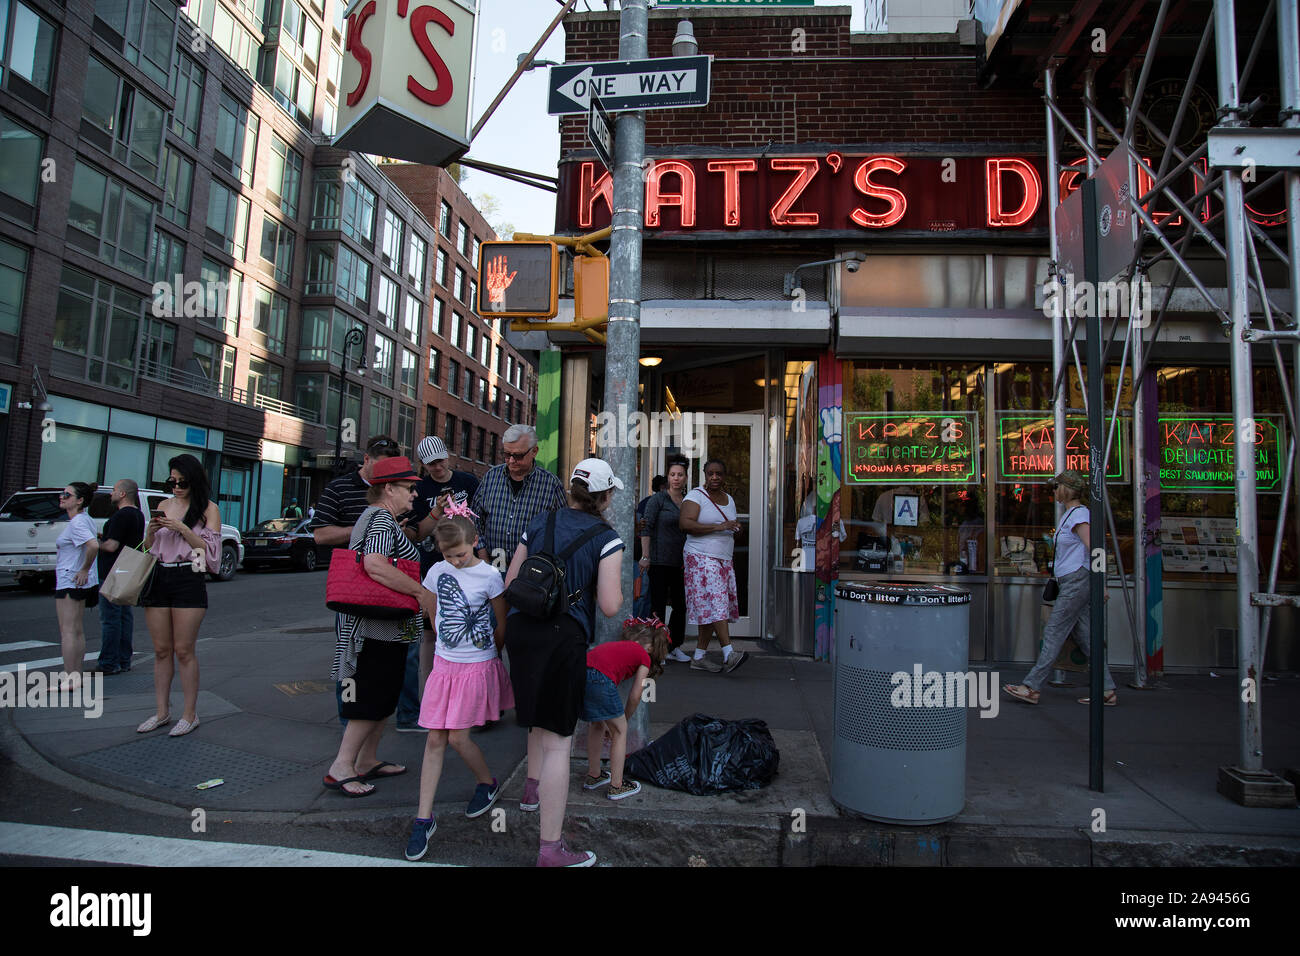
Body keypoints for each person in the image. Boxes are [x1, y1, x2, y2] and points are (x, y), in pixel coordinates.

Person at [504, 458, 625, 866]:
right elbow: (610, 607)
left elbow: (509, 585)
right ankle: (550, 851)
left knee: (537, 722)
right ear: (606, 497)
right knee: (559, 741)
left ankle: (530, 790)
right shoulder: (606, 536)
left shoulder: (540, 521)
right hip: (562, 637)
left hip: (522, 631)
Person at [404, 504, 512, 861]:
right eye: (449, 556)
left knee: (459, 738)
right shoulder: (437, 570)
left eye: (462, 554)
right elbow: (431, 610)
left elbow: (501, 622)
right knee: (436, 738)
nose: (456, 561)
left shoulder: (490, 576)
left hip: (476, 667)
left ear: (476, 542)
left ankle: (487, 782)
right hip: (445, 665)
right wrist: (443, 638)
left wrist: (488, 654)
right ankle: (423, 818)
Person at [324, 457, 436, 797]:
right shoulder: (380, 519)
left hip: (387, 626)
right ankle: (342, 765)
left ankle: (367, 759)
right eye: (409, 488)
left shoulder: (382, 518)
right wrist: (420, 591)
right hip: (374, 628)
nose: (414, 494)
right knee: (370, 695)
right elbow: (374, 564)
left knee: (384, 692)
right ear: (388, 488)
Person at [1003, 469, 1118, 707]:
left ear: (1065, 490)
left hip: (1077, 581)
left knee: (1054, 632)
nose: (1053, 491)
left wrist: (1101, 583)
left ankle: (1032, 687)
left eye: (1055, 487)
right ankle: (1106, 689)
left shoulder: (1079, 516)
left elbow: (1095, 549)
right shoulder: (1071, 515)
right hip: (1073, 580)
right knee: (1086, 636)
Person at [312, 436, 402, 725]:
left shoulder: (393, 491)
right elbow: (321, 535)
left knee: (381, 659)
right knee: (348, 657)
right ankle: (347, 721)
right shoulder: (339, 487)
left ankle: (372, 720)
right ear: (366, 459)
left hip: (387, 586)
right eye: (379, 464)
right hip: (351, 586)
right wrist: (366, 525)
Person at [137, 455, 222, 736]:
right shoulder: (162, 505)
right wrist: (150, 533)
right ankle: (162, 712)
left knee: (183, 650)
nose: (176, 487)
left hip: (189, 575)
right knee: (161, 650)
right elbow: (150, 548)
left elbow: (212, 557)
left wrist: (184, 529)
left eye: (181, 482)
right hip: (159, 574)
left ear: (194, 480)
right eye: (171, 482)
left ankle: (189, 714)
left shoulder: (208, 509)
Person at [406, 435, 482, 707]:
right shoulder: (421, 489)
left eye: (439, 462)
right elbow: (416, 533)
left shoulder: (467, 482)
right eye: (430, 465)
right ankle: (430, 695)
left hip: (467, 567)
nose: (436, 468)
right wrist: (437, 511)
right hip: (433, 566)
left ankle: (468, 695)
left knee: (467, 630)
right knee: (430, 633)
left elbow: (481, 519)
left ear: (446, 456)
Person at [581, 617, 669, 801]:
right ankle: (617, 785)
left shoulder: (618, 646)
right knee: (620, 731)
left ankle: (594, 775)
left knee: (596, 725)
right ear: (652, 648)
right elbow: (636, 695)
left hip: (581, 672)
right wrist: (625, 718)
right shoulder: (644, 656)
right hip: (601, 678)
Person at [679, 457, 747, 674]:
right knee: (717, 602)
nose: (715, 477)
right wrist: (719, 527)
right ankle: (729, 653)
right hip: (700, 557)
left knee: (712, 608)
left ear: (724, 476)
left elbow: (728, 525)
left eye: (719, 473)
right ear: (705, 475)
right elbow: (685, 524)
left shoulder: (729, 499)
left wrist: (736, 529)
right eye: (711, 473)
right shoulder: (696, 496)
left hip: (723, 558)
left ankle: (699, 656)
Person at [471, 423, 567, 569]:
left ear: (534, 451)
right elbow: (475, 518)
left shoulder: (551, 485)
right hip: (492, 566)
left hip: (531, 571)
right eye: (507, 454)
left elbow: (562, 528)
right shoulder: (491, 477)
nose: (511, 460)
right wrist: (483, 555)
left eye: (518, 456)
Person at [640, 456, 691, 661]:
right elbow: (646, 527)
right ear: (667, 477)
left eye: (680, 475)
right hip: (659, 561)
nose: (676, 479)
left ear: (686, 477)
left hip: (681, 562)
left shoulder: (688, 501)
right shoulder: (658, 499)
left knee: (680, 606)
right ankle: (658, 650)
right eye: (672, 475)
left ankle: (674, 646)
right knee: (658, 606)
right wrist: (645, 556)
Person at [54, 482, 100, 692]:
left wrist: (83, 569)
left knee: (68, 631)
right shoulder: (84, 520)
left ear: (80, 500)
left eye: (67, 495)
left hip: (70, 580)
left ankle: (69, 679)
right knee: (76, 630)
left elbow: (93, 546)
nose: (62, 497)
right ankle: (76, 676)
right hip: (79, 581)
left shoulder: (77, 523)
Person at [95, 479, 144, 675]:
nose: (111, 493)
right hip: (128, 566)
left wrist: (92, 542)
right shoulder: (138, 515)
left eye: (114, 490)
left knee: (110, 618)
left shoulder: (120, 516)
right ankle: (124, 660)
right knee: (124, 616)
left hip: (112, 570)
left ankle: (108, 662)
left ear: (123, 494)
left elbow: (111, 546)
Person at [632, 476, 665, 617]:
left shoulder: (644, 502)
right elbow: (640, 527)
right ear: (662, 487)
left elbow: (639, 526)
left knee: (644, 592)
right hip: (645, 553)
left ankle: (642, 623)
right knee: (643, 590)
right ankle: (639, 624)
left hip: (646, 554)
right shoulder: (655, 502)